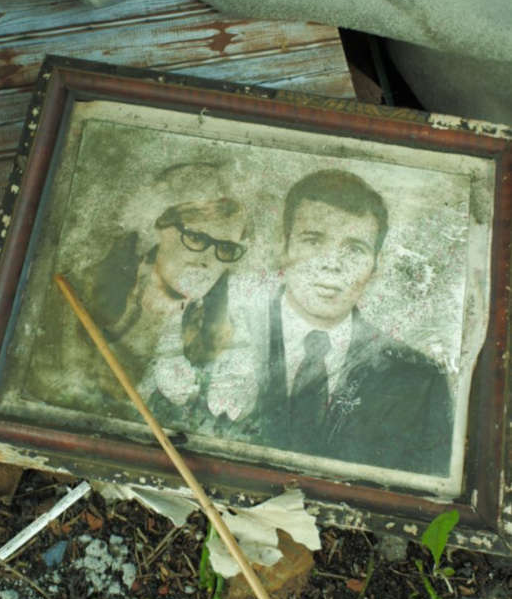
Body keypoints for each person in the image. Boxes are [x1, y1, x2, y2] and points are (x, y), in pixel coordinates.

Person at [29, 161, 259, 436]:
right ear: (158, 226)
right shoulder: (83, 293)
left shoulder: (228, 332)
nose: (208, 260)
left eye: (226, 248)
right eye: (197, 238)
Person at [260, 169, 453, 475]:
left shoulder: (420, 380)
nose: (332, 264)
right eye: (313, 240)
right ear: (284, 246)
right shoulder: (223, 338)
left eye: (354, 249)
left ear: (376, 266)